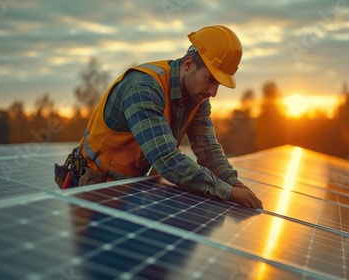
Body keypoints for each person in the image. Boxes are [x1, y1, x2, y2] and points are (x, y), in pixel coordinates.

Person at [76, 25, 263, 209]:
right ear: (189, 64)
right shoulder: (143, 88)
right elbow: (166, 158)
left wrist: (234, 184)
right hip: (96, 188)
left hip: (135, 189)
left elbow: (208, 149)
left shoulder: (197, 97)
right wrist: (227, 192)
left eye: (219, 85)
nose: (213, 92)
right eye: (210, 79)